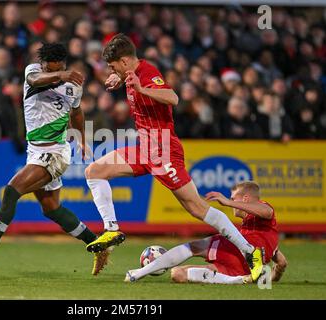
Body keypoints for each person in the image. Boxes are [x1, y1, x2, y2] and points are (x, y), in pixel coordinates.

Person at [84, 34, 264, 282]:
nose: (110, 69)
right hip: (145, 148)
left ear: (125, 61)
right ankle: (112, 229)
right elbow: (131, 83)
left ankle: (250, 251)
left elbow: (173, 97)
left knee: (197, 207)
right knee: (94, 171)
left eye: (113, 65)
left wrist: (139, 87)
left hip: (163, 150)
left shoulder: (147, 73)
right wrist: (121, 78)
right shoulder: (129, 73)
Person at [0, 43, 109, 276]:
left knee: (11, 190)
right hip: (35, 150)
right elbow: (37, 81)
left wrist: (82, 139)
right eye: (51, 68)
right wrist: (62, 74)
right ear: (44, 65)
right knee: (51, 209)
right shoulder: (32, 72)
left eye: (60, 68)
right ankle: (98, 245)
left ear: (63, 64)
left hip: (54, 154)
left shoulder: (72, 88)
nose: (55, 73)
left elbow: (76, 113)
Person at [125, 181, 288, 285]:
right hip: (239, 268)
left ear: (245, 199)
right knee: (178, 274)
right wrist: (269, 278)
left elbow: (266, 211)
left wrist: (227, 202)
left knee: (194, 246)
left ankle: (139, 273)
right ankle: (238, 280)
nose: (231, 203)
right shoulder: (264, 233)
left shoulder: (264, 210)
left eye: (233, 198)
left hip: (234, 253)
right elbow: (282, 263)